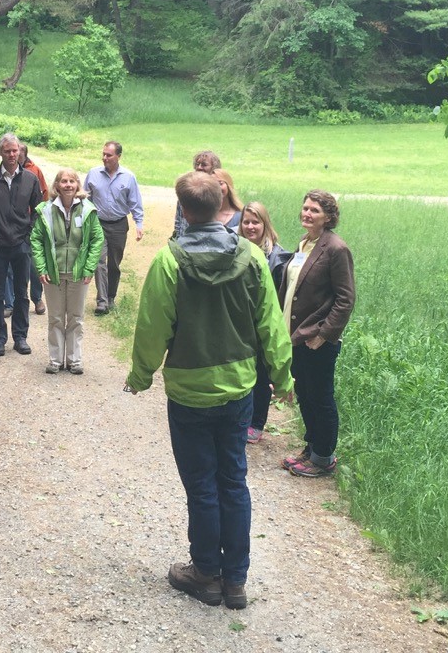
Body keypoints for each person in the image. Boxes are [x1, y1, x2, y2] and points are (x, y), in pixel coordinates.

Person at [127, 172, 290, 611]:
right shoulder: (252, 257)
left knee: (202, 485)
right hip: (239, 388)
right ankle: (235, 581)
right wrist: (284, 376)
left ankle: (205, 573)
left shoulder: (170, 261)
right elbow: (272, 324)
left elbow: (152, 327)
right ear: (223, 206)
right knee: (233, 480)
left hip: (189, 391)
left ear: (183, 210)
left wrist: (141, 376)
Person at [280, 189, 355, 479]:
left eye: (314, 210)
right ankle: (311, 448)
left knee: (321, 397)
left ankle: (323, 457)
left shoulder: (335, 249)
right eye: (305, 208)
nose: (307, 213)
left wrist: (324, 334)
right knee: (305, 393)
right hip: (298, 335)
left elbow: (345, 299)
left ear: (328, 217)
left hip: (317, 340)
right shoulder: (305, 243)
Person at [30, 168, 104, 374]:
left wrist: (89, 267)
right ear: (57, 186)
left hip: (78, 273)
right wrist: (42, 266)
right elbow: (36, 239)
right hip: (53, 273)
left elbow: (97, 239)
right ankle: (55, 360)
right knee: (55, 317)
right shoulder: (46, 209)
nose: (68, 185)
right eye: (64, 181)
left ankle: (74, 360)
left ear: (78, 185)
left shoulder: (88, 210)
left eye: (72, 181)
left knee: (76, 318)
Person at [0, 134, 43, 356]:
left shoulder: (30, 179)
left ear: (20, 152)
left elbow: (38, 211)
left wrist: (28, 236)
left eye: (15, 151)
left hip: (21, 244)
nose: (12, 155)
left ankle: (21, 337)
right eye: (7, 151)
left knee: (21, 293)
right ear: (0, 153)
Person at [238, 202, 291, 444]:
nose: (250, 227)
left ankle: (256, 422)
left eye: (255, 222)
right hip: (240, 324)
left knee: (261, 375)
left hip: (263, 322)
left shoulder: (277, 257)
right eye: (246, 222)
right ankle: (241, 417)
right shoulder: (235, 249)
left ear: (265, 224)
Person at [85, 140, 144, 315]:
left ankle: (111, 296)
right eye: (103, 154)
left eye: (109, 155)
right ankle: (102, 301)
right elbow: (84, 199)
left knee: (114, 264)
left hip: (119, 225)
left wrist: (139, 224)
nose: (105, 158)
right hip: (98, 224)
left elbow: (135, 202)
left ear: (118, 156)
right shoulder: (93, 174)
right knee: (98, 262)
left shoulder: (128, 177)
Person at [18, 143, 49, 316]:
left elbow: (44, 194)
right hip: (14, 225)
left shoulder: (34, 170)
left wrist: (38, 217)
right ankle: (15, 298)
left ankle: (37, 298)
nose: (16, 154)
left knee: (35, 263)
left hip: (32, 223)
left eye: (19, 151)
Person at [172, 150, 221, 238]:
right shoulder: (187, 189)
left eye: (204, 164)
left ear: (214, 168)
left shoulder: (218, 192)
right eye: (197, 164)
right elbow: (179, 219)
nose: (199, 167)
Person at [212, 169, 243, 233]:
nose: (217, 188)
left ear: (228, 185)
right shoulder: (204, 215)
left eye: (220, 183)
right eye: (213, 185)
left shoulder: (241, 216)